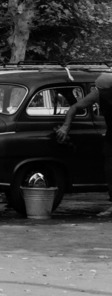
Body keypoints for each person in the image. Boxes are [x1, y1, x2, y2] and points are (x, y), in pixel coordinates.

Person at [53, 69, 112, 217]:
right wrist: (66, 126)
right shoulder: (98, 95)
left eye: (102, 90)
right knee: (110, 171)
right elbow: (75, 107)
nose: (99, 92)